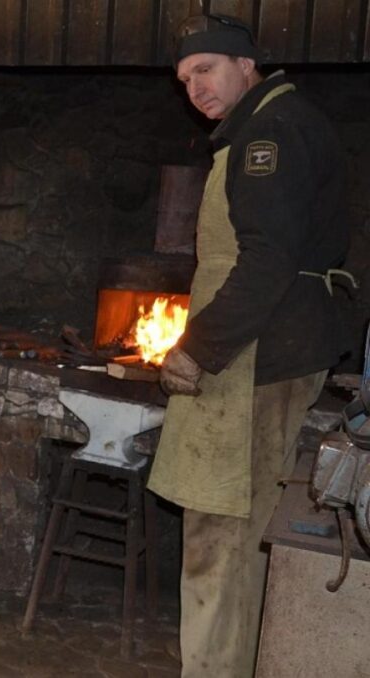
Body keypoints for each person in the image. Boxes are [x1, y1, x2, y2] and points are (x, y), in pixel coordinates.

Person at [148, 14, 349, 676]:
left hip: (256, 357)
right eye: (183, 80)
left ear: (245, 65)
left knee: (220, 536)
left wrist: (196, 347)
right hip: (273, 350)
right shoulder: (278, 123)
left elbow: (266, 260)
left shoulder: (270, 131)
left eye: (205, 70)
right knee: (237, 530)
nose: (194, 89)